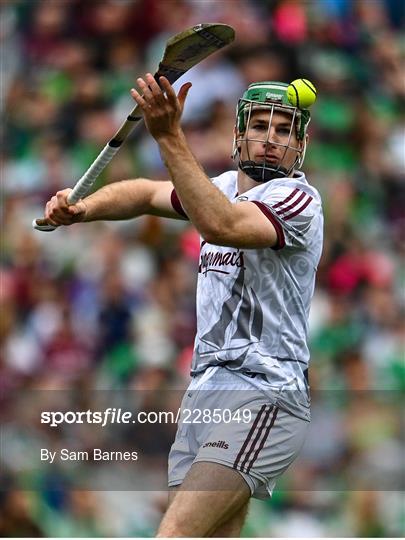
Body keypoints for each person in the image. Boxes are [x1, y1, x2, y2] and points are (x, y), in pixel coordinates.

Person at [43, 74, 323, 537]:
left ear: (301, 143)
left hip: (262, 391)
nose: (271, 139)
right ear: (239, 133)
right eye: (260, 125)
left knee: (173, 535)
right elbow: (146, 195)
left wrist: (169, 136)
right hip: (206, 395)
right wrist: (83, 208)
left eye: (284, 130)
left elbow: (220, 224)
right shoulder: (223, 186)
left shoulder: (297, 201)